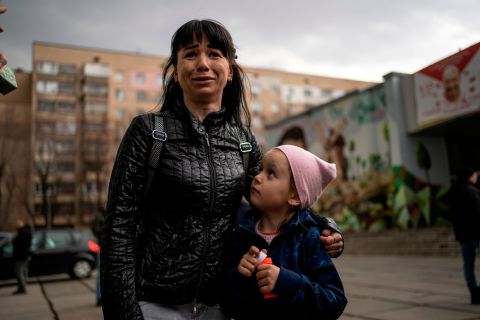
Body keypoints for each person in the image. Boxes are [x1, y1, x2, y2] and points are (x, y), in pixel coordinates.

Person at [101, 19, 344, 320]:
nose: (203, 63)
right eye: (191, 54)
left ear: (229, 71)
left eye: (214, 54)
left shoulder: (243, 140)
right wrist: (125, 313)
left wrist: (326, 226)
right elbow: (118, 228)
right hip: (153, 303)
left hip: (220, 307)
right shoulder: (148, 132)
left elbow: (279, 196)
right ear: (175, 72)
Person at [225, 145, 346, 319]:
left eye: (271, 173)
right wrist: (240, 276)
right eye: (260, 170)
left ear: (295, 196)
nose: (257, 177)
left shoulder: (309, 238)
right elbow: (230, 305)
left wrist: (287, 282)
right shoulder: (242, 233)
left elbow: (335, 301)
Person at [449, 166, 480, 304]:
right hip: (477, 232)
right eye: (475, 174)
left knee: (468, 264)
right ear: (469, 176)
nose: (476, 176)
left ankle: (474, 293)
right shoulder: (472, 191)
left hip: (462, 234)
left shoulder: (452, 192)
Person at [12, 219, 33, 295]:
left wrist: (13, 241)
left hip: (20, 255)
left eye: (16, 226)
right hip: (25, 255)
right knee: (24, 271)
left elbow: (20, 244)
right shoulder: (28, 232)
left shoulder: (22, 233)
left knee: (19, 272)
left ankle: (22, 287)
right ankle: (21, 287)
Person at [91, 208, 105, 306]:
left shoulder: (103, 214)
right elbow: (96, 229)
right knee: (100, 274)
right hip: (102, 247)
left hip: (104, 246)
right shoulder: (100, 215)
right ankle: (99, 297)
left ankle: (100, 297)